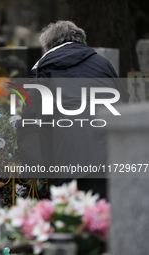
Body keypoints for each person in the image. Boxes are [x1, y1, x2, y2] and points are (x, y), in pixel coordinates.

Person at [17, 21, 130, 199]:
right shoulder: (102, 62)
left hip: (69, 151)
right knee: (103, 211)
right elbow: (123, 98)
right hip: (108, 147)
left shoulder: (43, 66)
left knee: (73, 215)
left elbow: (32, 117)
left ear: (49, 45)